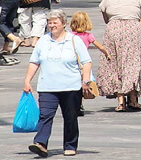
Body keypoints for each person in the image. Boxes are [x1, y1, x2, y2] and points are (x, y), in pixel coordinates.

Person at [23, 9, 93, 158]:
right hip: (47, 87)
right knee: (45, 115)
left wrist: (86, 81)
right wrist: (27, 80)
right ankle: (40, 143)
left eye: (55, 22)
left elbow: (87, 62)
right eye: (49, 22)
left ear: (64, 24)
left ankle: (70, 145)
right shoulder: (43, 40)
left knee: (70, 117)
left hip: (71, 87)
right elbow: (34, 62)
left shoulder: (74, 40)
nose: (52, 25)